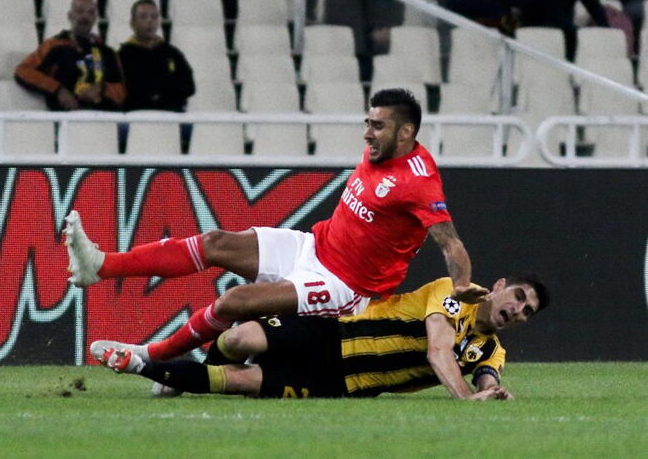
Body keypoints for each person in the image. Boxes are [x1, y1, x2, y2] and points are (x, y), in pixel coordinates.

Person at [67, 87, 489, 363]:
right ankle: (100, 266)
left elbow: (450, 243)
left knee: (236, 301)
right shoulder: (380, 153)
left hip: (346, 286)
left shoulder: (417, 181)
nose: (367, 133)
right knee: (215, 242)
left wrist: (461, 285)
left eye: (377, 125)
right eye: (367, 122)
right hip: (315, 246)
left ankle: (151, 356)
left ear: (406, 132)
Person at [99, 273, 549, 400]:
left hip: (343, 385)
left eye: (527, 311)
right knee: (240, 343)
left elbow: (490, 375)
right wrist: (466, 396)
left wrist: (493, 391)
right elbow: (438, 349)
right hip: (331, 335)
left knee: (241, 383)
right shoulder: (452, 295)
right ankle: (182, 374)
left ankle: (142, 366)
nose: (518, 310)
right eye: (519, 296)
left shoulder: (492, 349)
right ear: (499, 286)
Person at [15, 0, 126, 110]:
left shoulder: (107, 52)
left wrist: (101, 89)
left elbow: (120, 89)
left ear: (95, 18)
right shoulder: (53, 45)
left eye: (91, 13)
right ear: (70, 16)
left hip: (105, 117)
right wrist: (58, 89)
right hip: (67, 117)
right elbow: (23, 71)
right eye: (80, 11)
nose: (85, 16)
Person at [118, 0, 195, 112]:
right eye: (143, 17)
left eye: (154, 17)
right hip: (136, 116)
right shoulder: (122, 55)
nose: (150, 21)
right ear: (132, 22)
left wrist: (162, 95)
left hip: (171, 115)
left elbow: (189, 87)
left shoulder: (172, 53)